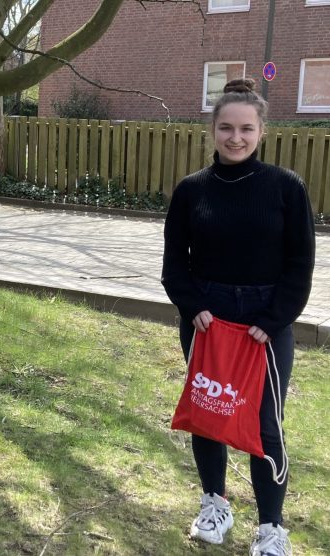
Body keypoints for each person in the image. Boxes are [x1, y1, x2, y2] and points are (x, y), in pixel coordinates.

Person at [162, 78, 315, 556]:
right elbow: (174, 263)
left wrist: (273, 320)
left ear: (262, 131)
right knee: (210, 415)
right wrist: (194, 307)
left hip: (264, 324)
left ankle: (271, 528)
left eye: (246, 129)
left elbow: (300, 263)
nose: (235, 138)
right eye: (226, 128)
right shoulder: (192, 191)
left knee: (264, 423)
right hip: (206, 317)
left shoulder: (286, 189)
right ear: (212, 129)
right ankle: (214, 504)